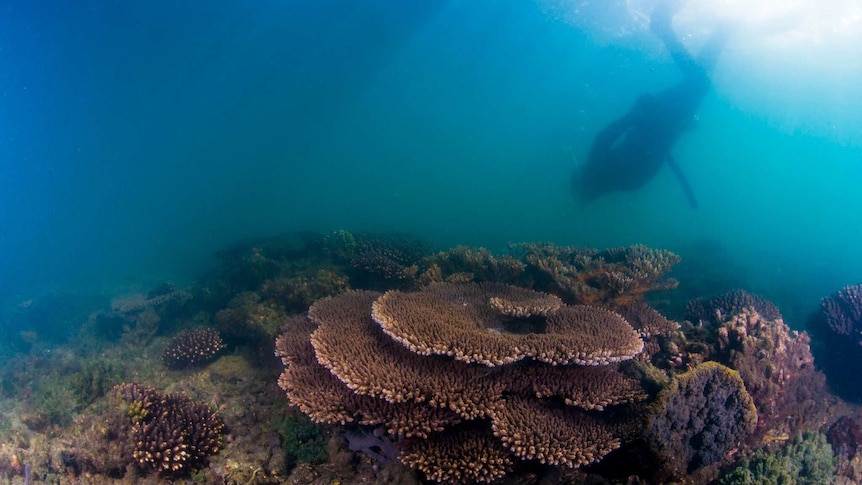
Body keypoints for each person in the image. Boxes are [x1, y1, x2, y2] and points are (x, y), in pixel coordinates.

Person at [572, 1, 728, 208]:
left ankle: (669, 30)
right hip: (660, 122)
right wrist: (679, 127)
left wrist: (635, 115)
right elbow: (653, 153)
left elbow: (604, 137)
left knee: (698, 83)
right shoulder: (622, 182)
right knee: (697, 82)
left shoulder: (615, 178)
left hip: (654, 120)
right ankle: (721, 30)